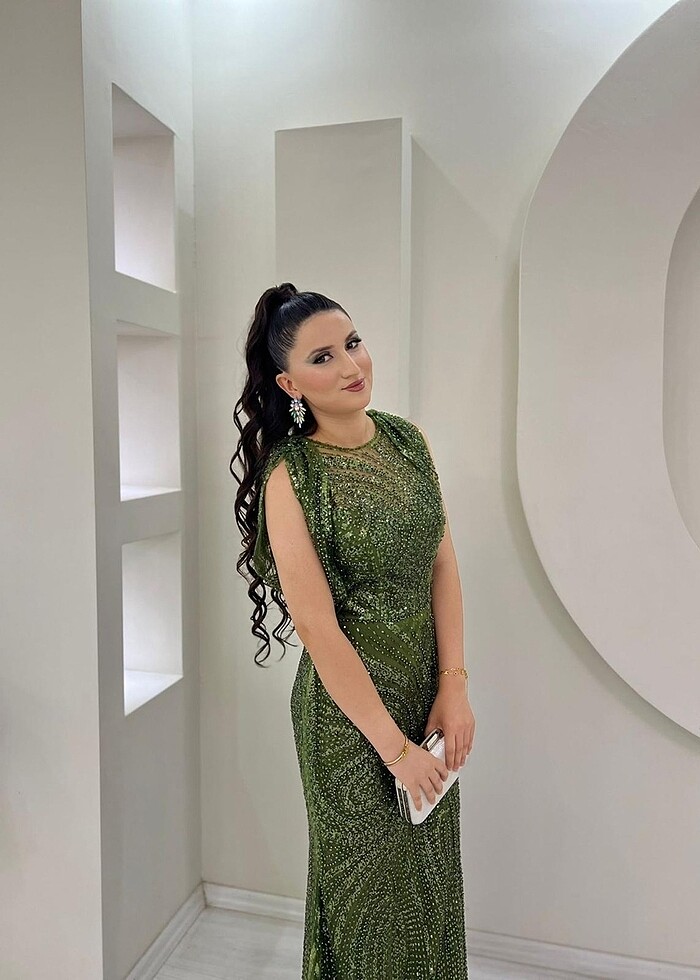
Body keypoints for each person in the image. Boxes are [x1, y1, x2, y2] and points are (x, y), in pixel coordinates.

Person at [231, 282, 475, 979]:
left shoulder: (407, 441)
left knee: (428, 895)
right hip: (348, 724)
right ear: (289, 384)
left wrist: (454, 687)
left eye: (353, 343)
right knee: (368, 911)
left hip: (425, 700)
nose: (350, 365)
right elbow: (317, 628)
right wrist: (395, 752)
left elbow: (442, 565)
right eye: (323, 357)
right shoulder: (292, 476)